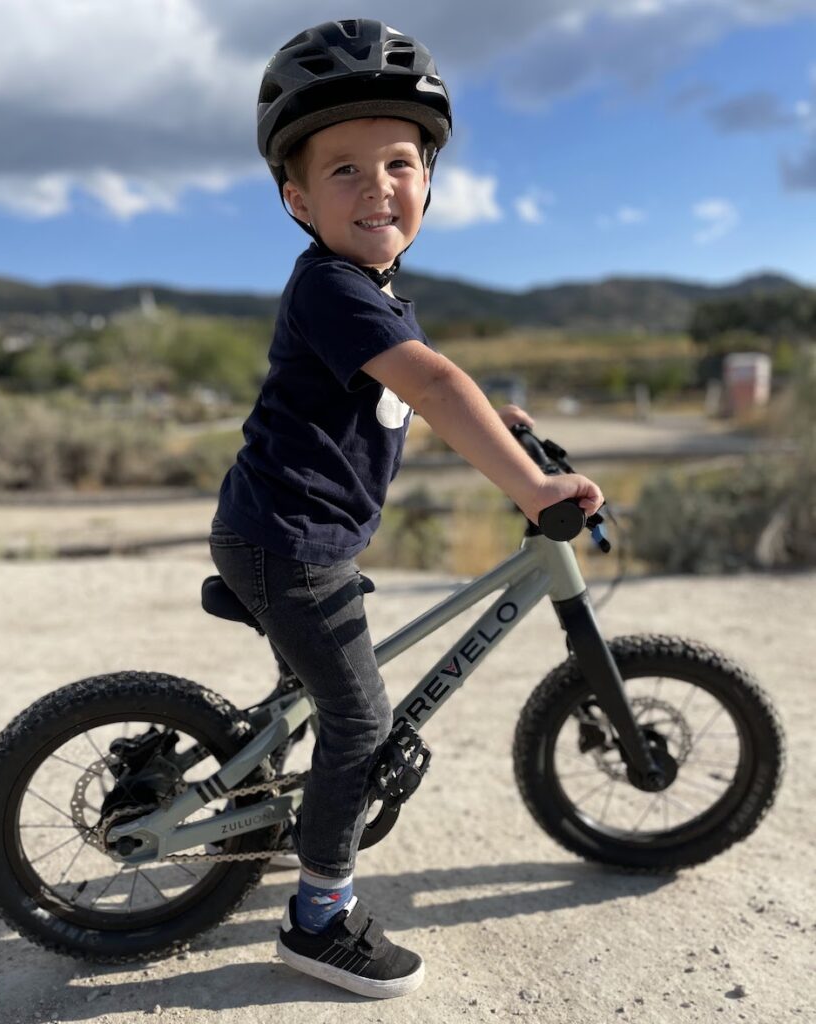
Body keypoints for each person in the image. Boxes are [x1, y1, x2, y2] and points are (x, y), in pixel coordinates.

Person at [209, 19, 603, 999]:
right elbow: (427, 384)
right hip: (287, 543)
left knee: (314, 695)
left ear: (427, 179)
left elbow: (401, 389)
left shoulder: (371, 293)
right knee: (359, 721)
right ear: (297, 199)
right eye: (342, 170)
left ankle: (260, 809)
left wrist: (503, 424)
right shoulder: (334, 290)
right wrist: (532, 485)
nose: (375, 185)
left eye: (396, 160)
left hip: (288, 534)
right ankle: (320, 917)